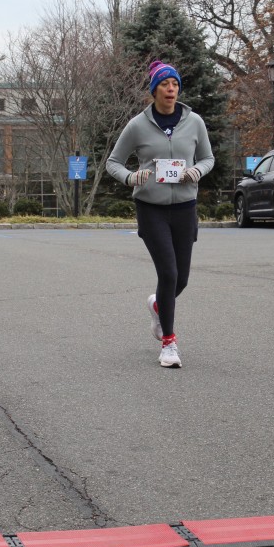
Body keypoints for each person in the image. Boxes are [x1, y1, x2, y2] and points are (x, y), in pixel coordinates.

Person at [106, 60, 215, 368]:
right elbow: (113, 162)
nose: (171, 89)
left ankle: (157, 305)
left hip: (184, 208)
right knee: (168, 274)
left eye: (175, 84)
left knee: (181, 279)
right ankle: (169, 343)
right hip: (151, 208)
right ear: (154, 90)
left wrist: (197, 170)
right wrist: (130, 177)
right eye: (165, 84)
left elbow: (208, 158)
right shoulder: (137, 125)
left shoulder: (194, 122)